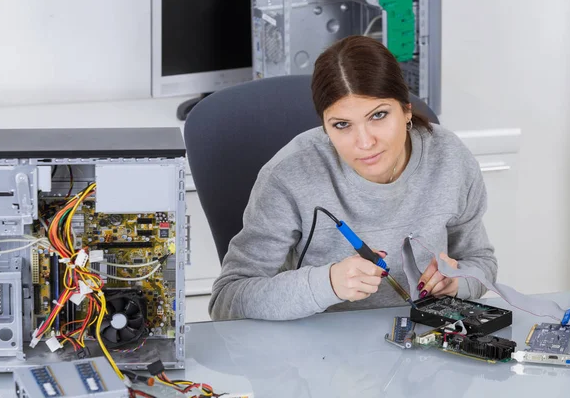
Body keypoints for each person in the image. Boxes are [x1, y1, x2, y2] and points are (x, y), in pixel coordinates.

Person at [209, 35, 497, 321]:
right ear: (324, 127)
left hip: (423, 345)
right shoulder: (287, 176)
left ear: (406, 110)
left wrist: (458, 283)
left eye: (379, 115)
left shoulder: (449, 156)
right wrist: (328, 284)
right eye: (342, 125)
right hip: (318, 354)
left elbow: (481, 262)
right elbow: (227, 300)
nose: (364, 142)